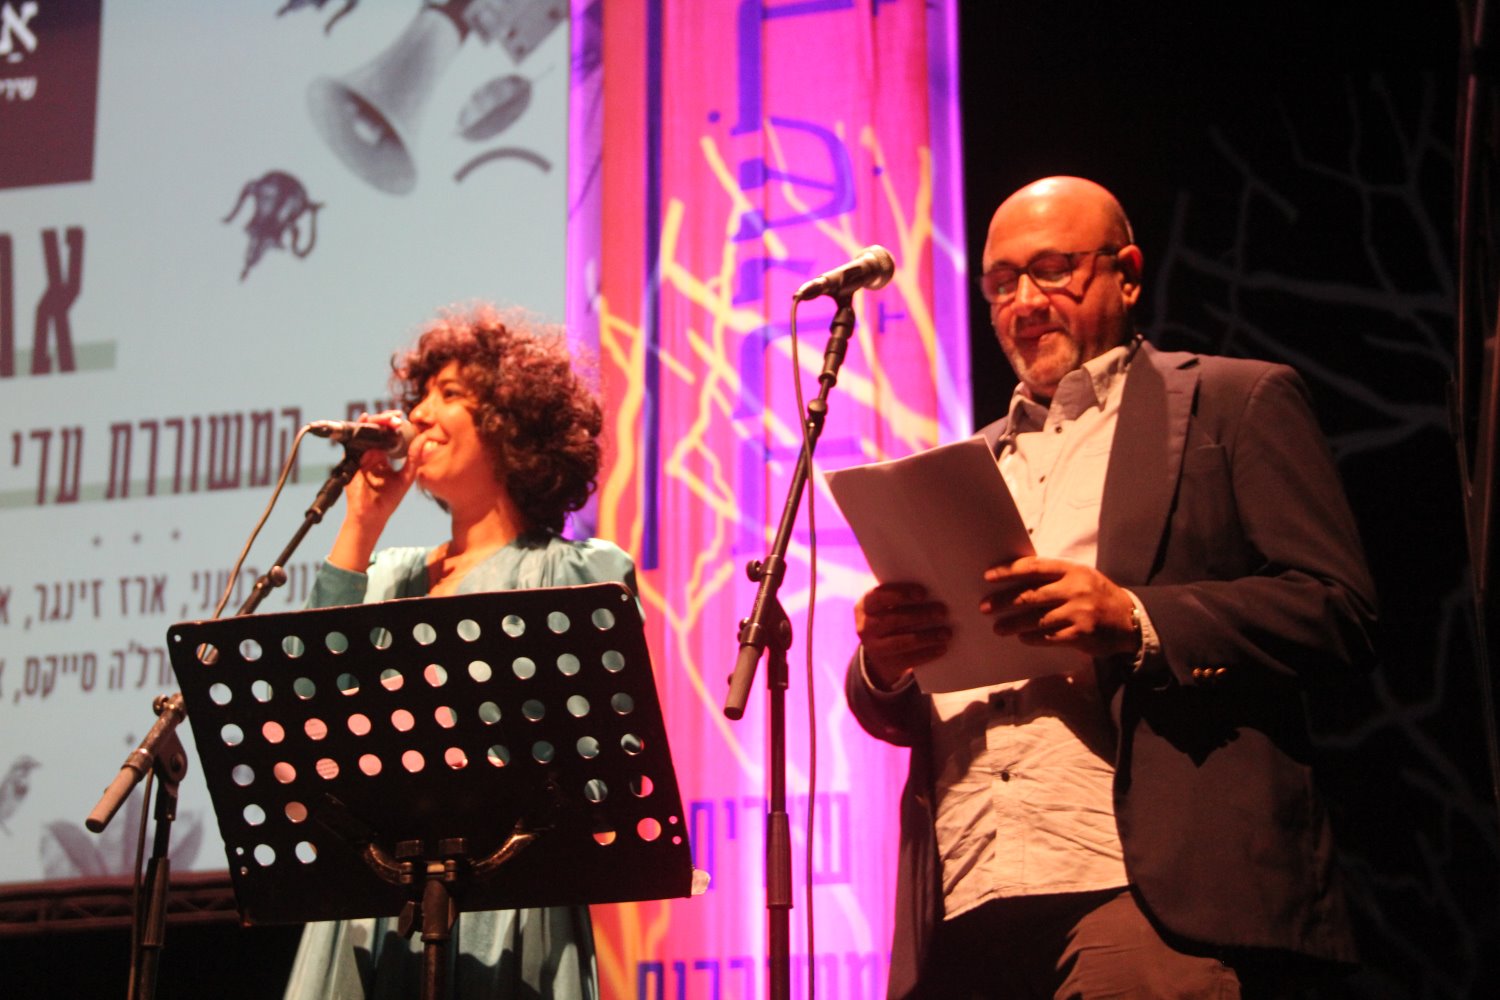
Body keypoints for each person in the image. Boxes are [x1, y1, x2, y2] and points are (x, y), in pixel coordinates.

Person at [846, 177, 1377, 998]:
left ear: (1126, 274)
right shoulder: (963, 467)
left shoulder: (1233, 402)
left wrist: (1135, 618)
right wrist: (885, 661)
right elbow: (904, 704)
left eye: (1052, 270)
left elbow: (1338, 610)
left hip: (1137, 890)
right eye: (1001, 284)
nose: (1025, 303)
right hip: (967, 895)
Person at [283, 302, 632, 1000]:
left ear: (509, 420)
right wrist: (360, 526)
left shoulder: (576, 573)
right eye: (420, 397)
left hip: (504, 898)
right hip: (377, 904)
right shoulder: (386, 576)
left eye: (448, 395)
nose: (418, 415)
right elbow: (304, 710)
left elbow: (600, 766)